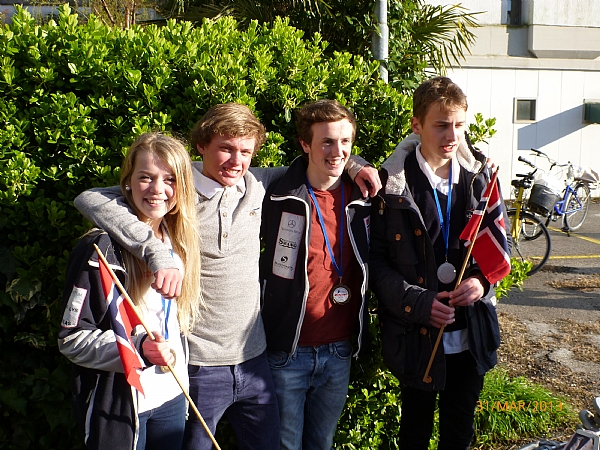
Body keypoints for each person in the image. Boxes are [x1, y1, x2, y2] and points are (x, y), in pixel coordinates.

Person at [72, 102, 381, 450]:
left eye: (246, 151)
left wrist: (356, 165)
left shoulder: (258, 184)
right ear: (202, 145)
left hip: (255, 359)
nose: (236, 161)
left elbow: (320, 163)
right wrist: (155, 252)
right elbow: (91, 198)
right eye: (226, 149)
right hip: (200, 365)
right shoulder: (178, 188)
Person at [369, 76, 507, 449]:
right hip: (416, 335)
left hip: (472, 333)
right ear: (417, 125)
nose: (453, 136)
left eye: (460, 125)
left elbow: (500, 251)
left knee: (458, 434)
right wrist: (419, 302)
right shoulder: (391, 184)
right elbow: (377, 264)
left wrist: (481, 282)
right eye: (441, 125)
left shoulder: (482, 179)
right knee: (413, 434)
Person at [58, 132, 201, 450]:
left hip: (173, 396)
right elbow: (71, 340)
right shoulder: (99, 249)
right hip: (122, 404)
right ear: (127, 183)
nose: (158, 190)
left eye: (170, 179)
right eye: (145, 178)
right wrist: (136, 348)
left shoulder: (179, 238)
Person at [259, 100, 371, 450]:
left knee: (322, 443)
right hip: (287, 352)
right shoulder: (276, 190)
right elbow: (209, 170)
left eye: (345, 142)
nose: (337, 151)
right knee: (285, 445)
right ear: (304, 144)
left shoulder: (366, 195)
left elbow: (421, 145)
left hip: (339, 350)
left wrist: (357, 164)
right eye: (326, 142)